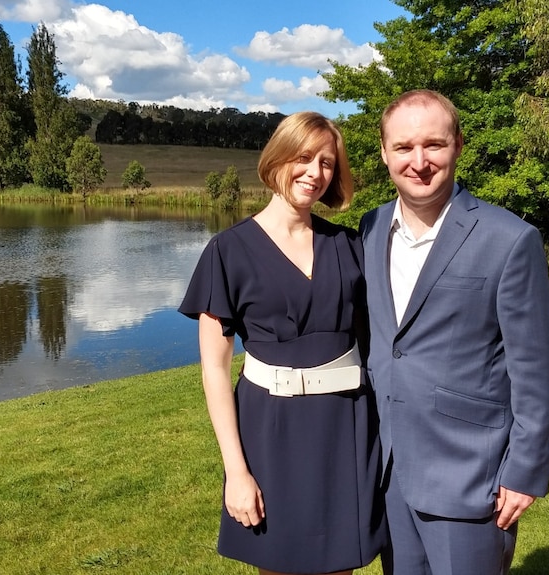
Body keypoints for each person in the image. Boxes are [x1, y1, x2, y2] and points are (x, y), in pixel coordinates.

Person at [359, 89, 549, 575]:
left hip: (472, 476)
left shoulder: (509, 239)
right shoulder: (369, 229)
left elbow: (537, 365)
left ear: (458, 146)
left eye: (434, 144)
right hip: (388, 470)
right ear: (385, 153)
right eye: (404, 147)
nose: (419, 161)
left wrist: (524, 471)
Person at [179, 111, 387, 575]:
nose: (315, 173)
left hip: (345, 426)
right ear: (278, 158)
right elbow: (215, 368)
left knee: (339, 566)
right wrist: (236, 471)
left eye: (327, 163)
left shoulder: (350, 246)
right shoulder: (227, 251)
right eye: (304, 157)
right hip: (270, 433)